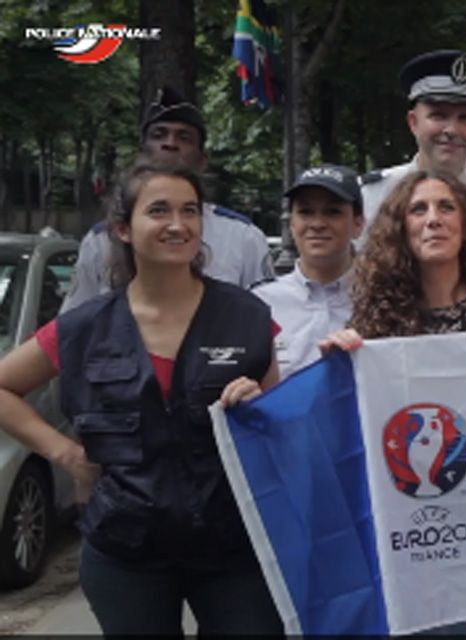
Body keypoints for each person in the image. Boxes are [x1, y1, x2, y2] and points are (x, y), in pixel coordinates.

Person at [0, 161, 282, 635]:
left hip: (233, 546)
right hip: (125, 550)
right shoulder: (84, 327)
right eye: (159, 210)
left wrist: (259, 406)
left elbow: (281, 425)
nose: (177, 224)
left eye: (189, 211)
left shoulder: (247, 317)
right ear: (123, 229)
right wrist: (65, 454)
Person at [321, 169, 466, 635]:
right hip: (412, 541)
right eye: (418, 209)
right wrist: (336, 370)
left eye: (446, 207)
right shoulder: (374, 326)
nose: (433, 219)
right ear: (401, 229)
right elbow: (353, 433)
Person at [62, 86, 273, 312]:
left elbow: (267, 318)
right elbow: (74, 321)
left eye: (184, 137)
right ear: (141, 154)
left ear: (202, 161)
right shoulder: (101, 240)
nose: (170, 144)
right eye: (159, 134)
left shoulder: (242, 238)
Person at [360, 50, 466, 237]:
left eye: (465, 118)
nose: (452, 130)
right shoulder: (370, 198)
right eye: (439, 115)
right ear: (413, 122)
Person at [252, 164, 364, 379]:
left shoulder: (387, 300)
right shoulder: (259, 305)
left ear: (358, 224)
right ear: (291, 224)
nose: (318, 224)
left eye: (332, 212)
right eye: (305, 212)